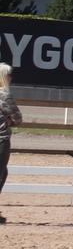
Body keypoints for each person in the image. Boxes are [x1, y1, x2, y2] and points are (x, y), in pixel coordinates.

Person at [0, 62, 21, 223]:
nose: (11, 78)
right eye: (8, 75)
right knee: (1, 173)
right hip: (1, 138)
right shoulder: (5, 95)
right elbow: (17, 119)